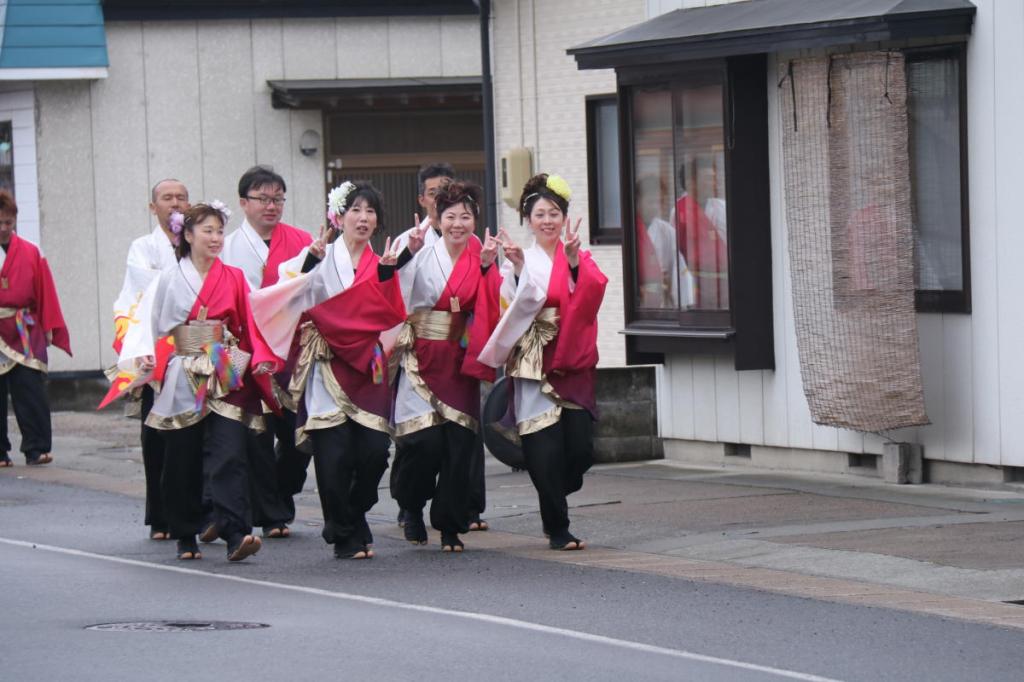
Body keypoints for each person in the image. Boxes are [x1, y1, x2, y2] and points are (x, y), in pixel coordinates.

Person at [251, 181, 406, 559]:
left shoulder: (382, 262)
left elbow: (396, 313)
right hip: (327, 365)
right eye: (355, 209)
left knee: (373, 452)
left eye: (370, 211)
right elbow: (283, 296)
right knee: (333, 455)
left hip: (368, 366)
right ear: (339, 216)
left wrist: (388, 276)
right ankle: (343, 531)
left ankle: (352, 514)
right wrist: (309, 264)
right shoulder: (317, 256)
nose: (364, 218)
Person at [126, 201, 280, 561]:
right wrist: (148, 354)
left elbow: (247, 326)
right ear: (188, 235)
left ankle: (236, 533)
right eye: (207, 231)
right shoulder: (168, 277)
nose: (215, 238)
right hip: (183, 370)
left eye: (219, 231)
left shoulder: (235, 277)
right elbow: (152, 324)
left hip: (224, 366)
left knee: (230, 452)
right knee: (183, 455)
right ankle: (185, 532)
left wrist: (257, 359)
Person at [479, 173, 607, 551]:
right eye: (540, 214)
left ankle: (563, 485)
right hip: (534, 357)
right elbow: (509, 305)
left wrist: (571, 263)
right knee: (543, 449)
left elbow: (593, 293)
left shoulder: (579, 256)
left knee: (580, 447)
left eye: (554, 213)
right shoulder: (522, 259)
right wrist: (517, 269)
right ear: (528, 219)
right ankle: (558, 527)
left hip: (571, 354)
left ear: (564, 217)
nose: (547, 220)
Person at [389, 181, 500, 552]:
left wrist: (487, 269)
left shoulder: (480, 256)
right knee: (422, 442)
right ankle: (411, 504)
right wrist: (407, 254)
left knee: (458, 447)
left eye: (465, 216)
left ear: (475, 220)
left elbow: (492, 307)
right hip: (422, 355)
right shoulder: (419, 249)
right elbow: (390, 287)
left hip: (459, 358)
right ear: (437, 219)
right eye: (449, 216)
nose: (457, 224)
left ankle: (450, 525)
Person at [221, 165, 313, 540]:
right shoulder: (226, 247)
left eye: (277, 198)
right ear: (244, 203)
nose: (271, 206)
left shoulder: (304, 241)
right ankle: (272, 514)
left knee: (299, 439)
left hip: (292, 351)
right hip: (244, 352)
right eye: (263, 199)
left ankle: (279, 491)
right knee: (254, 437)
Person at [107, 179, 188, 539]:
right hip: (157, 348)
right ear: (152, 207)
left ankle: (199, 511)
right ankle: (160, 516)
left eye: (181, 197)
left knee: (200, 437)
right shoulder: (142, 247)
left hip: (197, 350)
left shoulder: (201, 237)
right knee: (156, 436)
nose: (175, 203)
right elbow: (141, 290)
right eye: (167, 198)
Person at [0, 189, 72, 468]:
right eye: (0, 222)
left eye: (8, 222)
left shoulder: (31, 252)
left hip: (24, 326)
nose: (4, 228)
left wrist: (50, 326)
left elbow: (46, 290)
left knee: (30, 387)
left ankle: (36, 448)